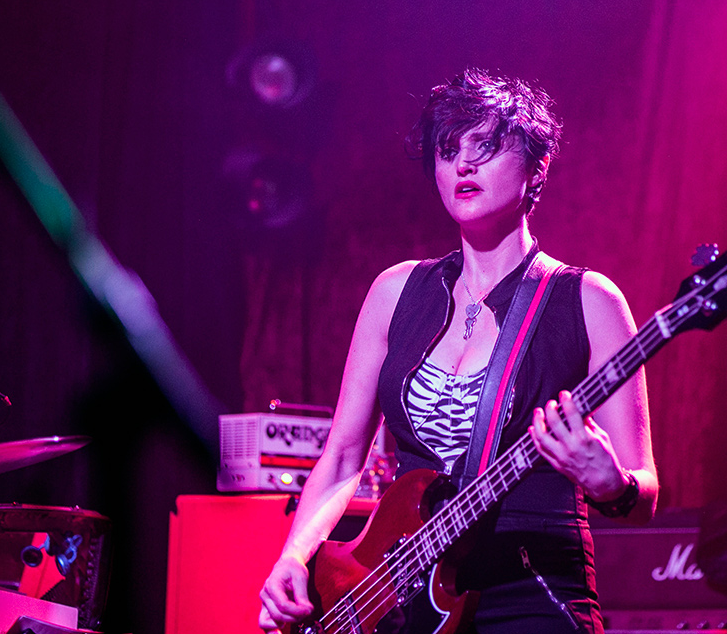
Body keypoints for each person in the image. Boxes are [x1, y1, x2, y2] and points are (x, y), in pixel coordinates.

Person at [259, 68, 658, 633]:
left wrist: (612, 485)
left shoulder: (589, 301)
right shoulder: (395, 292)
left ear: (537, 167)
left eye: (486, 147)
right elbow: (345, 455)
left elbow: (645, 491)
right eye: (448, 152)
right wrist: (293, 556)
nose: (463, 165)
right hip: (404, 597)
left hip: (530, 593)